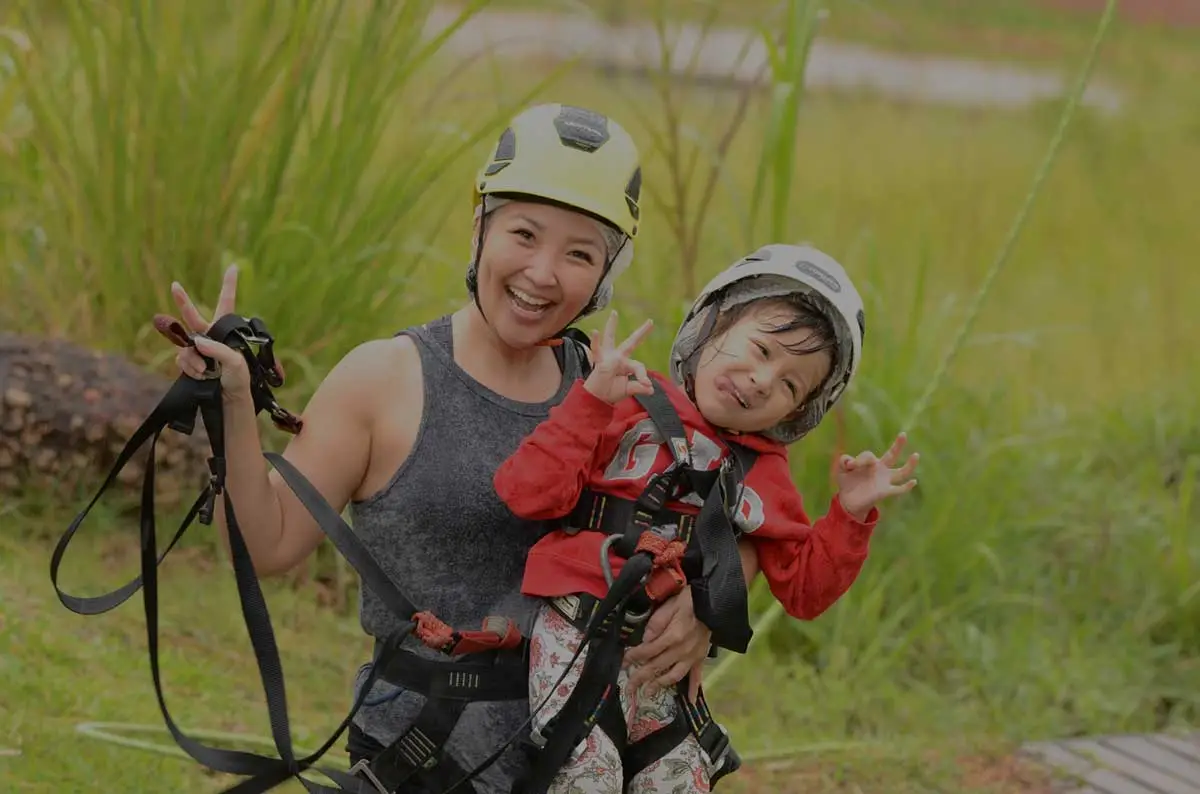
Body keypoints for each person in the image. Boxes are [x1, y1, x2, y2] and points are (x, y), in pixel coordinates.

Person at [164, 103, 762, 794]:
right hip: (422, 757)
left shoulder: (614, 397)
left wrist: (708, 607)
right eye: (524, 233)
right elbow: (269, 543)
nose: (543, 273)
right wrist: (234, 399)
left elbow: (737, 511)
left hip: (580, 757)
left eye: (578, 254)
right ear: (479, 225)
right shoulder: (384, 380)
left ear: (604, 276)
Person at [493, 243, 920, 793]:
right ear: (710, 325)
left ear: (797, 413)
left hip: (665, 685)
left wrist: (851, 514)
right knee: (586, 779)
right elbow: (526, 493)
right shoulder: (628, 403)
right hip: (578, 636)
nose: (764, 380)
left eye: (791, 384)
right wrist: (590, 402)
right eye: (761, 349)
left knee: (682, 780)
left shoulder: (766, 475)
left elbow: (805, 592)